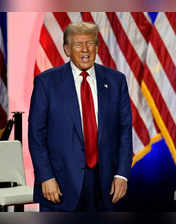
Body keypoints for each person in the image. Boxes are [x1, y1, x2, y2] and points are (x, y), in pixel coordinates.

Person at [28, 22, 133, 212]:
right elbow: (36, 135)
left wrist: (122, 174)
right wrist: (46, 176)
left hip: (106, 185)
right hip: (59, 185)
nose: (85, 50)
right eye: (78, 44)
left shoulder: (116, 81)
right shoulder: (46, 82)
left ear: (97, 47)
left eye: (91, 43)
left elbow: (125, 131)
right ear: (67, 49)